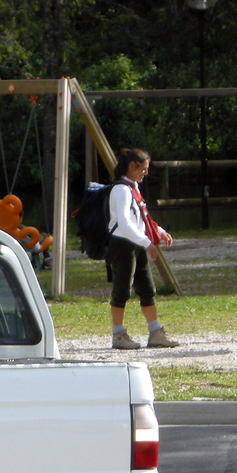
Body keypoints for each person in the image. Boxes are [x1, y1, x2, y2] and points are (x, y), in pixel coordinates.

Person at [106, 148, 179, 350]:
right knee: (122, 290)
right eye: (144, 168)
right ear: (132, 166)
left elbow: (142, 218)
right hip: (122, 244)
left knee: (147, 289)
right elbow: (124, 223)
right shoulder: (121, 190)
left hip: (136, 243)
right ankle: (118, 334)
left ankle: (155, 333)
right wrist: (147, 242)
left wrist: (160, 232)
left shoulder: (133, 187)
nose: (146, 172)